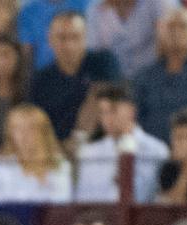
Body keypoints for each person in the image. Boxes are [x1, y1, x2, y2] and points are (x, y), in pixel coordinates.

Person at [27, 10, 120, 143]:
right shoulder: (40, 80)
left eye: (75, 37)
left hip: (104, 147)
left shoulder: (103, 62)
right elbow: (38, 124)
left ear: (86, 38)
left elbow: (99, 101)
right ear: (50, 39)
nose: (69, 45)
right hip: (57, 151)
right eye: (62, 37)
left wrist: (77, 141)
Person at [74, 82, 169, 202]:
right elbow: (83, 199)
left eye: (113, 111)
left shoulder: (158, 151)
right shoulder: (89, 153)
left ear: (131, 110)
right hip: (97, 218)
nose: (107, 118)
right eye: (102, 112)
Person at [133, 8, 187, 144]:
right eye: (170, 27)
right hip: (151, 151)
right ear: (160, 33)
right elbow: (135, 117)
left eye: (183, 26)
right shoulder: (144, 76)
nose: (176, 32)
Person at [0, 103, 72, 202]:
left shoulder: (60, 164)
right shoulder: (1, 168)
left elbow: (64, 205)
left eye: (31, 128)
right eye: (16, 128)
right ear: (9, 133)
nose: (24, 135)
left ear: (43, 132)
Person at [85, 0, 176, 79]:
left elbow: (170, 42)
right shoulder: (96, 8)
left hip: (153, 79)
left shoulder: (160, 2)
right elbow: (96, 55)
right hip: (113, 83)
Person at [17, 0, 88, 70]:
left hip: (83, 71)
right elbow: (26, 52)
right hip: (43, 73)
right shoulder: (29, 11)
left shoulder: (84, 3)